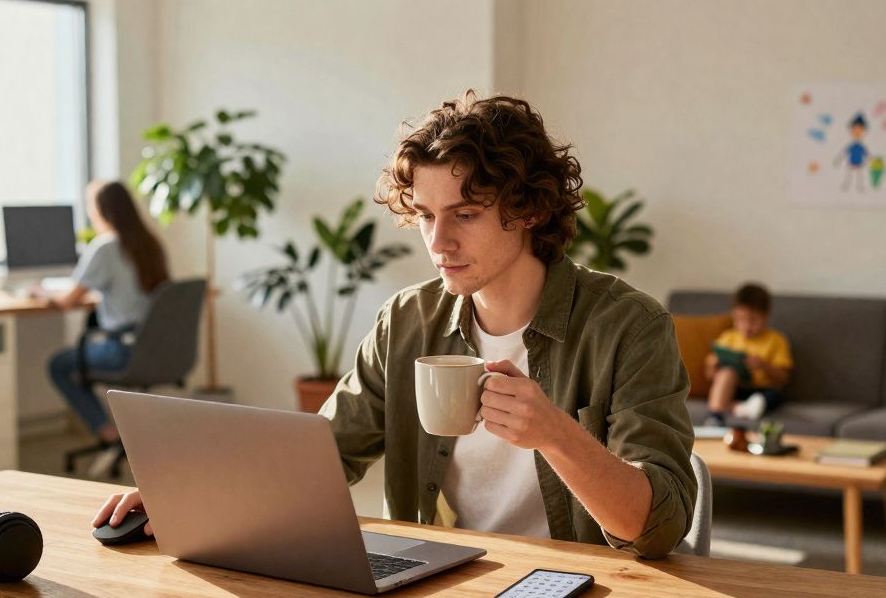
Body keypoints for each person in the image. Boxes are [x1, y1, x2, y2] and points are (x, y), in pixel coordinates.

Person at [94, 92, 696, 558]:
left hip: (582, 593)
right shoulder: (408, 319)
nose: (439, 242)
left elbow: (658, 527)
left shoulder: (629, 326)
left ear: (530, 209)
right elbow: (323, 455)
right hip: (443, 582)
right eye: (428, 215)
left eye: (465, 214)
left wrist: (556, 435)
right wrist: (188, 495)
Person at [46, 180, 170, 450]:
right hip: (156, 348)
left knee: (58, 365)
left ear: (102, 211)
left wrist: (40, 294)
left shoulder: (106, 247)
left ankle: (107, 431)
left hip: (123, 350)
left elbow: (69, 300)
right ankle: (119, 433)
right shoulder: (150, 243)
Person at [704, 283, 793, 426]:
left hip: (762, 390)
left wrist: (763, 365)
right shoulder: (728, 338)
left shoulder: (777, 340)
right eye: (740, 319)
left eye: (753, 320)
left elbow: (783, 378)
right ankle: (716, 417)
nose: (747, 325)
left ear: (766, 316)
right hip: (736, 388)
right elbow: (711, 376)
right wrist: (713, 365)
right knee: (726, 373)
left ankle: (740, 408)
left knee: (773, 396)